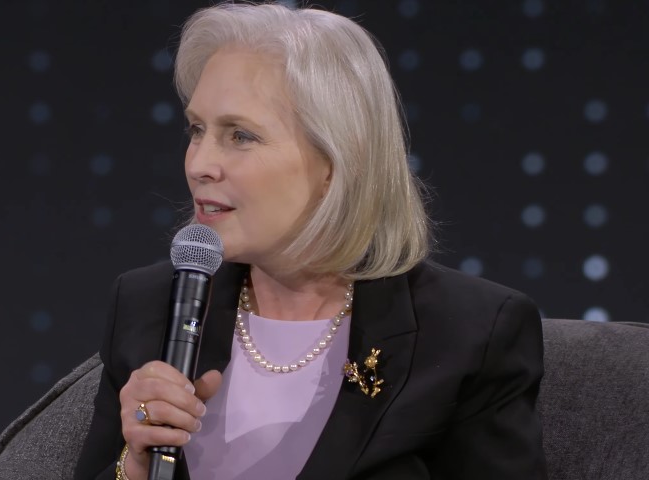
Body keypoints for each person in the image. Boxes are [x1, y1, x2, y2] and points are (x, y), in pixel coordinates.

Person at [74, 3, 546, 479]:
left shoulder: (469, 334)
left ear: (337, 162)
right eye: (197, 130)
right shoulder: (149, 306)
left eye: (240, 135)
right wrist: (132, 465)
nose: (199, 164)